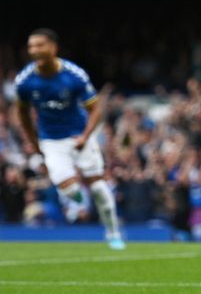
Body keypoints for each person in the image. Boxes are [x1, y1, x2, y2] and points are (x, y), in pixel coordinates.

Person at [15, 28, 124, 250]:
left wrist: (86, 135)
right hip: (51, 141)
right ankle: (79, 198)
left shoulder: (74, 75)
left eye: (39, 45)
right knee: (68, 189)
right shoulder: (25, 81)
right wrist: (34, 143)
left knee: (99, 188)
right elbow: (23, 115)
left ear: (53, 47)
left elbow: (95, 109)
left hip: (78, 136)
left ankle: (113, 232)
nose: (34, 50)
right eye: (30, 46)